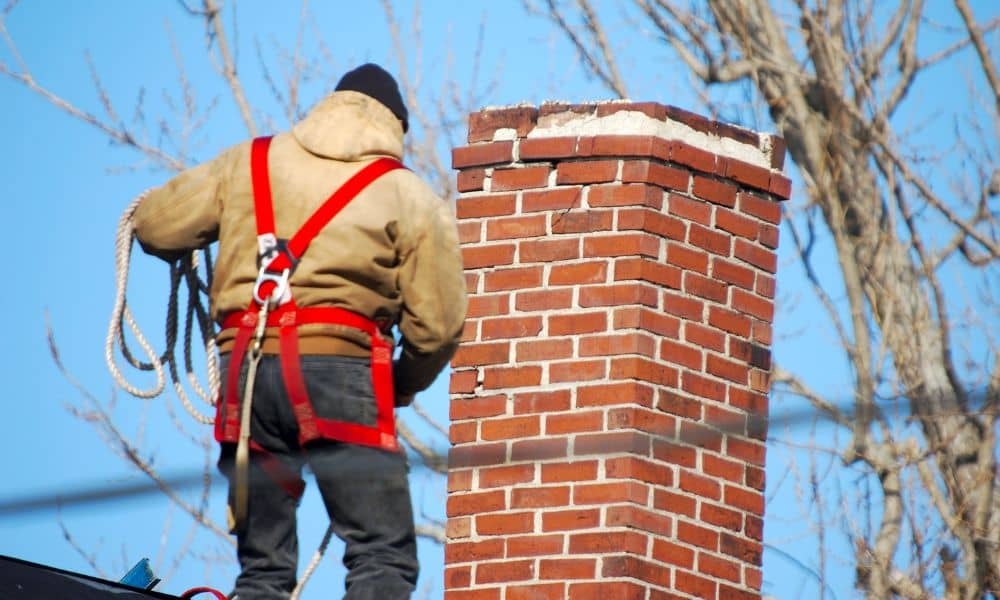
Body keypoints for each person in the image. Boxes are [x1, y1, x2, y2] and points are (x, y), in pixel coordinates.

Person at [133, 63, 467, 600]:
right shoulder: (408, 195)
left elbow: (154, 224)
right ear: (395, 129)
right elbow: (438, 327)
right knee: (382, 554)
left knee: (263, 571)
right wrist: (401, 384)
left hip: (247, 375)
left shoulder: (249, 161)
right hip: (340, 373)